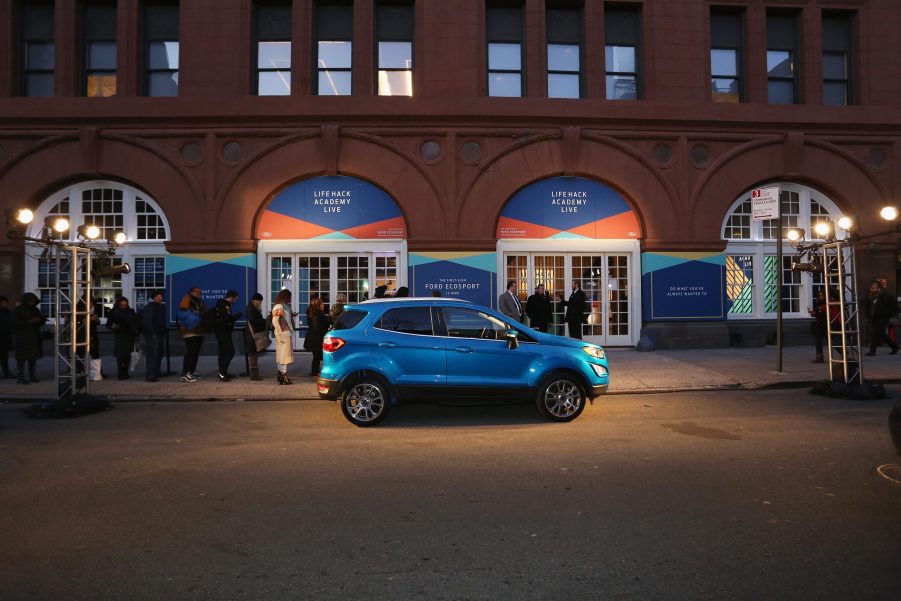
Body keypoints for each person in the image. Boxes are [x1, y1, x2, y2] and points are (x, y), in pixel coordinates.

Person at [12, 292, 45, 384]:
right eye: (30, 301)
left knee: (33, 358)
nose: (31, 303)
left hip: (34, 337)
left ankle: (32, 376)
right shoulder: (17, 310)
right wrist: (29, 322)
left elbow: (40, 320)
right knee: (21, 359)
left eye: (33, 301)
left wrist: (41, 320)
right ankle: (20, 377)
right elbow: (14, 323)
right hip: (22, 337)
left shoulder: (35, 310)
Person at [177, 286, 207, 382]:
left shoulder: (201, 302)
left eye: (200, 292)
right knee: (190, 352)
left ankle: (192, 371)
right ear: (191, 292)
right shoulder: (187, 299)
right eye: (196, 291)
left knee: (195, 352)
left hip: (199, 330)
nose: (198, 293)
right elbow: (183, 310)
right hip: (189, 330)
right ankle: (185, 373)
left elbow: (205, 312)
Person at [212, 290, 243, 380]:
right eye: (235, 299)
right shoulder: (223, 305)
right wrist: (236, 316)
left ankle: (223, 372)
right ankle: (222, 372)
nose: (236, 301)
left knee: (223, 353)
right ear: (231, 297)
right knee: (230, 352)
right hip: (222, 332)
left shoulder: (225, 305)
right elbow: (225, 319)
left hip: (223, 332)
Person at [107, 296, 138, 379]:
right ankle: (120, 373)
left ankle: (125, 372)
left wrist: (136, 332)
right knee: (120, 355)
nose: (123, 307)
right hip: (119, 334)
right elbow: (108, 324)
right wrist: (113, 327)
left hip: (129, 334)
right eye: (121, 305)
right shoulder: (113, 312)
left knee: (128, 354)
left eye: (125, 305)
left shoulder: (131, 311)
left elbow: (135, 322)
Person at [866, 279, 899, 356]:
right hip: (874, 318)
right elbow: (869, 307)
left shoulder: (886, 296)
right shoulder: (870, 296)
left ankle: (872, 351)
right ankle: (894, 347)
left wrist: (888, 315)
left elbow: (894, 307)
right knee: (881, 334)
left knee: (875, 333)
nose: (872, 288)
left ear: (879, 288)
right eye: (871, 286)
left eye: (874, 287)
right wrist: (868, 316)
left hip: (883, 318)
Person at [139, 290, 167, 382]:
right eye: (158, 296)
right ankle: (150, 375)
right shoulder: (150, 307)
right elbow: (147, 321)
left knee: (159, 354)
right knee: (152, 355)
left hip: (160, 334)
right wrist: (152, 333)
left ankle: (156, 372)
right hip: (153, 335)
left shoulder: (160, 307)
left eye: (161, 296)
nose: (160, 297)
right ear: (153, 297)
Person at [807, 289, 839, 363]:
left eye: (822, 295)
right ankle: (819, 357)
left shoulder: (830, 302)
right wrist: (813, 313)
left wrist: (822, 308)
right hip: (820, 325)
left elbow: (832, 312)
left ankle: (843, 353)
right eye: (820, 295)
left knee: (831, 341)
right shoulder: (818, 303)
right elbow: (818, 314)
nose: (820, 297)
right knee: (818, 341)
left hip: (829, 324)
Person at [271, 289, 295, 384]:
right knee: (284, 355)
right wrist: (280, 332)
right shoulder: (280, 306)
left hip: (284, 332)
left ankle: (281, 375)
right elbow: (275, 321)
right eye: (289, 297)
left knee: (282, 355)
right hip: (283, 333)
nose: (290, 299)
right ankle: (283, 376)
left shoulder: (283, 306)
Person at [244, 293, 267, 381]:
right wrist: (265, 321)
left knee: (255, 354)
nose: (260, 303)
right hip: (252, 335)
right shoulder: (251, 309)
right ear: (255, 300)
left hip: (254, 334)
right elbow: (254, 321)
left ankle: (254, 374)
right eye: (259, 301)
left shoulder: (253, 308)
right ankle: (254, 375)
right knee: (253, 354)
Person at [304, 297, 329, 377]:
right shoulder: (318, 314)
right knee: (319, 356)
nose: (323, 305)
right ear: (318, 305)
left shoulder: (312, 313)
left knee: (316, 356)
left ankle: (315, 371)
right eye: (321, 303)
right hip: (317, 338)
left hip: (313, 337)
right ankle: (316, 372)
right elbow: (318, 327)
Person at [0, 296, 13, 378]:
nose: (5, 304)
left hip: (5, 338)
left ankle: (6, 373)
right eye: (3, 302)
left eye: (6, 302)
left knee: (4, 357)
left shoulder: (8, 312)